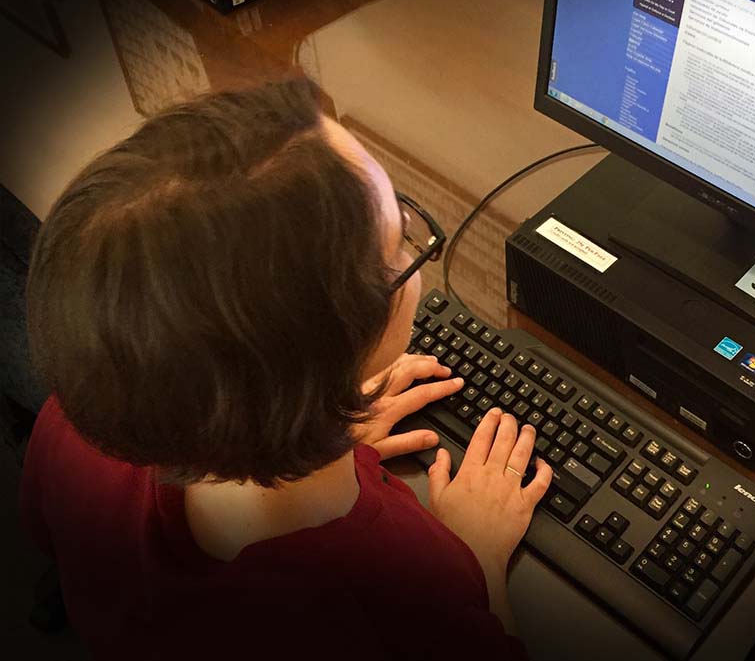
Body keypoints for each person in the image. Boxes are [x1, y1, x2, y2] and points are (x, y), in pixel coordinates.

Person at [19, 78, 553, 659]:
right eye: (401, 241)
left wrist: (316, 424)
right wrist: (475, 556)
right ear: (337, 345)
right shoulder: (404, 591)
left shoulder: (70, 427)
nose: (409, 250)